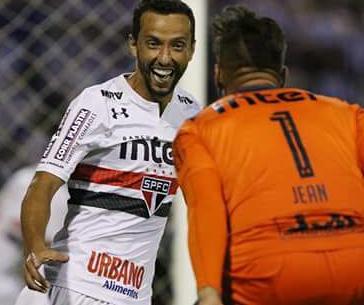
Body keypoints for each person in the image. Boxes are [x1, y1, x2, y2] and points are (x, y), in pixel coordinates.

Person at [173, 5, 364, 305]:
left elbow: (206, 208)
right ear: (283, 74)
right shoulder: (349, 114)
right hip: (356, 264)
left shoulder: (198, 131)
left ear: (219, 73)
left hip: (267, 274)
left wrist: (208, 292)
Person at [18, 0, 201, 304]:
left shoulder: (193, 115)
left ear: (192, 50)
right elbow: (43, 184)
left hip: (136, 295)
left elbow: (202, 202)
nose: (165, 58)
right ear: (133, 45)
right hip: (76, 285)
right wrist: (35, 245)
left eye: (177, 46)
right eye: (153, 44)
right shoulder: (97, 104)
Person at [0, 165, 68, 305]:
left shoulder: (64, 196)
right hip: (7, 244)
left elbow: (52, 243)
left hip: (38, 259)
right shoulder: (24, 177)